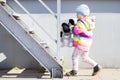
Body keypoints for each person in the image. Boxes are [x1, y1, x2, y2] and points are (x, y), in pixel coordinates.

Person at [65, 4, 102, 76]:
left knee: (74, 56)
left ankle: (74, 71)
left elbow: (75, 31)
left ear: (82, 14)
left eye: (78, 14)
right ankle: (96, 66)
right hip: (87, 43)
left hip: (81, 43)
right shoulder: (88, 21)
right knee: (85, 57)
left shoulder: (80, 23)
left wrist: (70, 26)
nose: (76, 15)